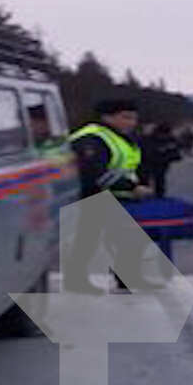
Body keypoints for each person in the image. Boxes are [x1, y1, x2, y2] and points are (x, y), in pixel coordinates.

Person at [64, 99, 156, 294]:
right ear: (107, 117)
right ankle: (77, 280)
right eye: (126, 117)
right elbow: (94, 172)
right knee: (87, 240)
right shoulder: (92, 139)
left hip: (120, 196)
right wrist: (133, 187)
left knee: (125, 239)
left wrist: (140, 185)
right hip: (92, 196)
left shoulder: (122, 137)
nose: (131, 122)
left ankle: (126, 279)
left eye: (134, 118)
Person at [140, 122, 183, 198]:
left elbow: (176, 152)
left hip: (155, 163)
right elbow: (176, 152)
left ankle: (153, 194)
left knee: (154, 179)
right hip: (155, 162)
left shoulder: (150, 138)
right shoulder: (169, 139)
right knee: (156, 179)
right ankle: (155, 194)